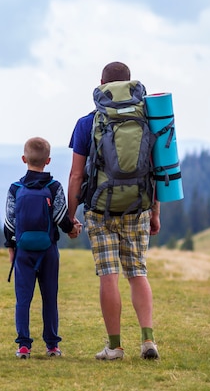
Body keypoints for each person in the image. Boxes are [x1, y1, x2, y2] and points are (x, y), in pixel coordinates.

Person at [67, 61, 161, 361]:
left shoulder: (88, 122)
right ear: (130, 85)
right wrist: (155, 212)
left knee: (109, 275)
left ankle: (115, 346)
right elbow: (157, 171)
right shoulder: (148, 118)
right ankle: (148, 341)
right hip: (138, 207)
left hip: (101, 211)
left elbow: (76, 176)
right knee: (138, 272)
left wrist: (70, 216)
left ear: (102, 84)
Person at [4, 137, 82, 359]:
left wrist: (11, 248)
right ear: (48, 160)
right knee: (49, 297)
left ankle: (23, 345)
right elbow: (60, 217)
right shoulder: (54, 187)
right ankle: (52, 345)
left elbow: (9, 222)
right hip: (48, 251)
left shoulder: (15, 189)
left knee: (23, 299)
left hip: (24, 252)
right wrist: (72, 229)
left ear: (23, 158)